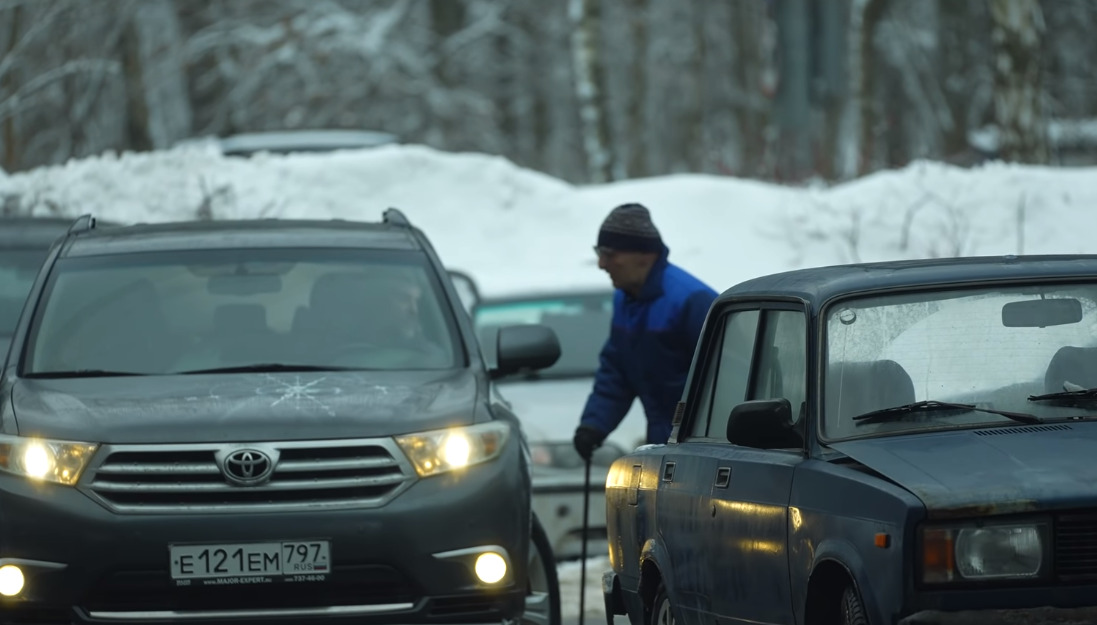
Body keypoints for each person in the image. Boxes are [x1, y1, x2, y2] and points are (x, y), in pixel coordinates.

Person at [572, 203, 718, 460]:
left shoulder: (692, 301)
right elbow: (617, 369)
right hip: (662, 441)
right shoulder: (626, 300)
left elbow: (727, 380)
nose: (601, 263)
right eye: (599, 252)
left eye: (609, 253)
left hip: (702, 450)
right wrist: (594, 424)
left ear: (644, 255)